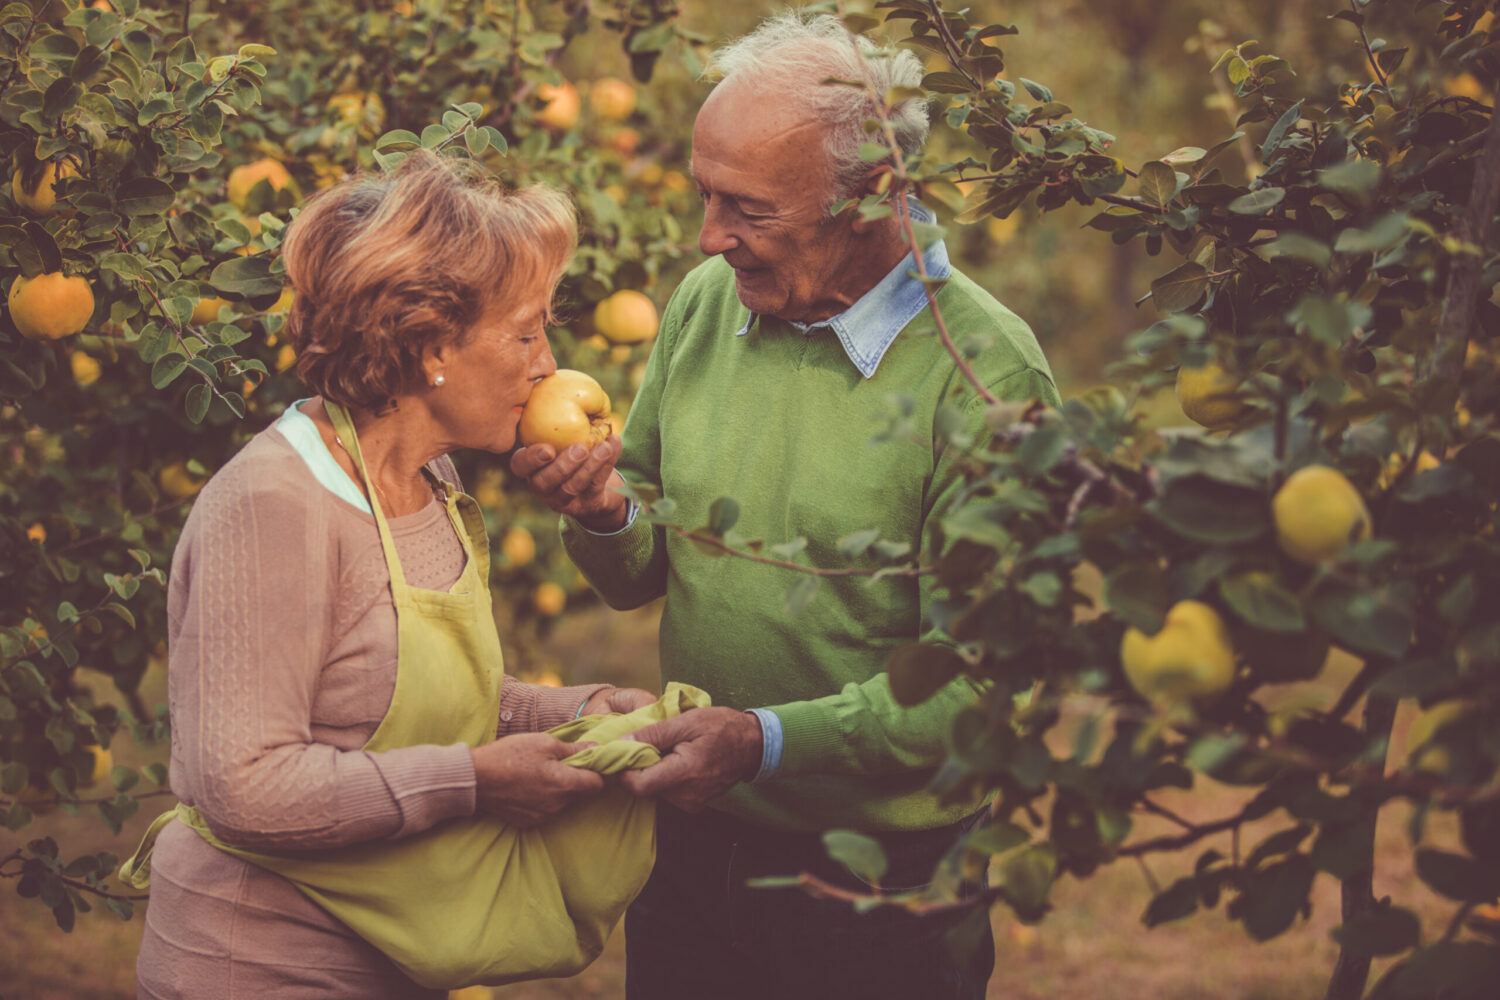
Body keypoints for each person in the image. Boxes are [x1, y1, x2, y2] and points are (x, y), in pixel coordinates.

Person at [510, 11, 1062, 1000]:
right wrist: (600, 511)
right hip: (689, 837)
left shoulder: (984, 372)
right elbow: (641, 574)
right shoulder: (710, 304)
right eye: (705, 197)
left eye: (747, 208)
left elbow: (986, 681)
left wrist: (763, 740)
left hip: (879, 879)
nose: (711, 237)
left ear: (872, 197)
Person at [130, 150, 656, 999]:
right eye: (526, 333)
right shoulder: (276, 504)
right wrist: (476, 783)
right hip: (258, 966)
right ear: (428, 346)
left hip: (396, 955)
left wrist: (572, 712)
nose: (547, 366)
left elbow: (387, 696)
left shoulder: (429, 481)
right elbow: (244, 787)